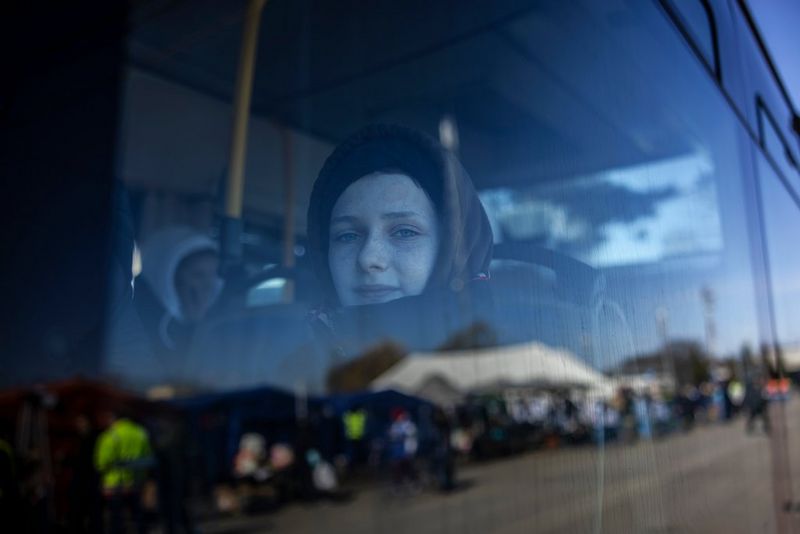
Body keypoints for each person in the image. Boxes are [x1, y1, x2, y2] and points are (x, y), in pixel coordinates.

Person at [305, 124, 494, 351]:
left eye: (405, 232)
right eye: (347, 236)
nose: (368, 258)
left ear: (453, 248)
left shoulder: (508, 357)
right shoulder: (291, 361)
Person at [135, 226, 224, 373]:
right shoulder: (133, 326)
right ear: (167, 277)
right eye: (198, 275)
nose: (210, 286)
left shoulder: (216, 330)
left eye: (213, 274)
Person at [94, 410, 154, 534]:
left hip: (114, 486)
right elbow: (148, 457)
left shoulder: (110, 435)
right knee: (137, 517)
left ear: (114, 419)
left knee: (116, 520)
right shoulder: (140, 433)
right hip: (136, 483)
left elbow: (100, 463)